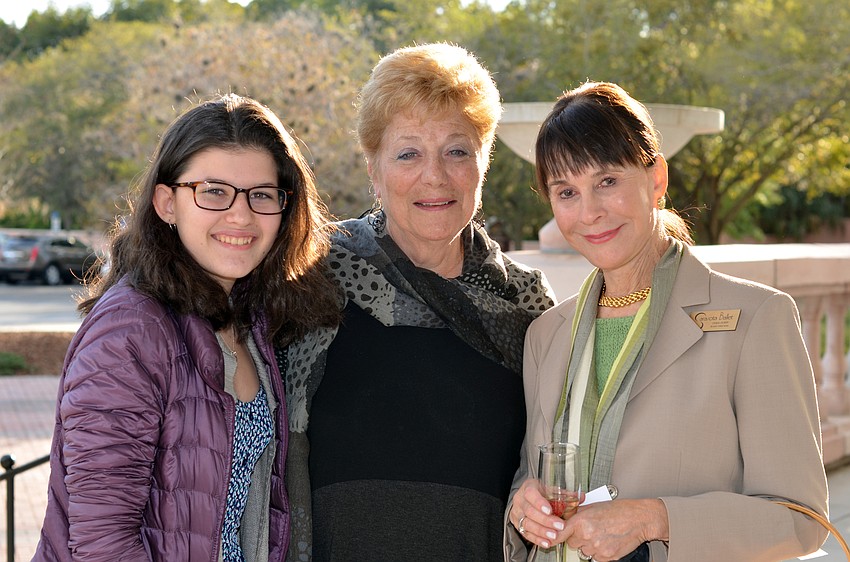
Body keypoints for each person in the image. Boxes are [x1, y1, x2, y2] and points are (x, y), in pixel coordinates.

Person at [504, 82, 828, 562]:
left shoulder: (756, 320)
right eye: (567, 192)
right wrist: (522, 506)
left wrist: (656, 519)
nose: (589, 212)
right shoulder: (545, 335)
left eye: (607, 181)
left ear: (656, 179)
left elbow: (801, 520)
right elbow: (531, 477)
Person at [33, 93, 341, 561]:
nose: (241, 215)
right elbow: (102, 543)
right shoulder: (130, 331)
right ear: (167, 203)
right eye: (213, 191)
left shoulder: (250, 320)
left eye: (261, 194)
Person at [279, 43, 556, 561]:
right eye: (408, 153)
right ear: (373, 170)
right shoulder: (306, 280)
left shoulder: (529, 308)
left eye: (457, 151)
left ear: (484, 163)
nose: (435, 176)